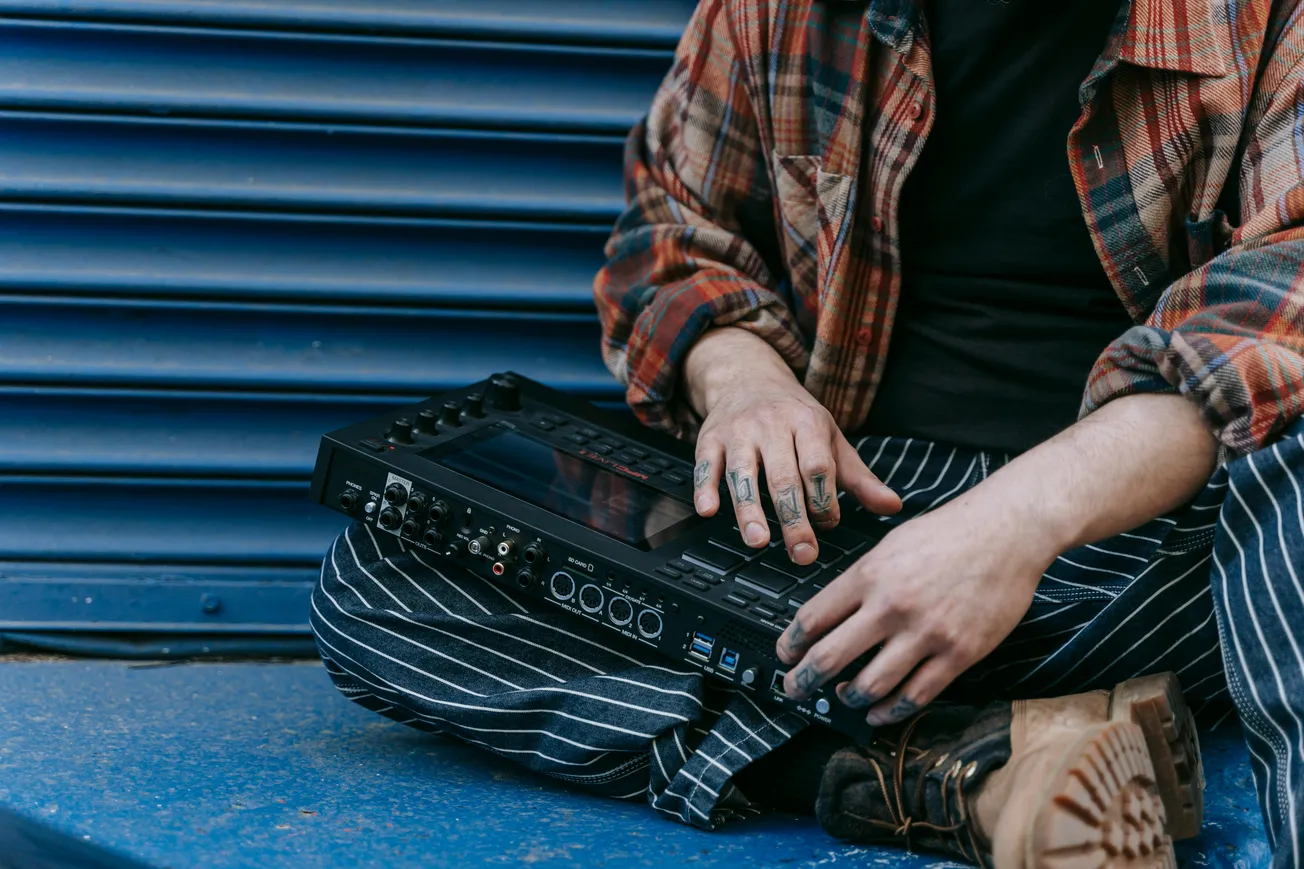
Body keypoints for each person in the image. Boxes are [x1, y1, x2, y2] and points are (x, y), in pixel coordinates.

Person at [311, 1, 1304, 867]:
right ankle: (930, 769)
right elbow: (670, 230)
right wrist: (743, 376)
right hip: (842, 521)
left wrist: (1014, 524)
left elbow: (1278, 315)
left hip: (1132, 539)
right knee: (386, 568)